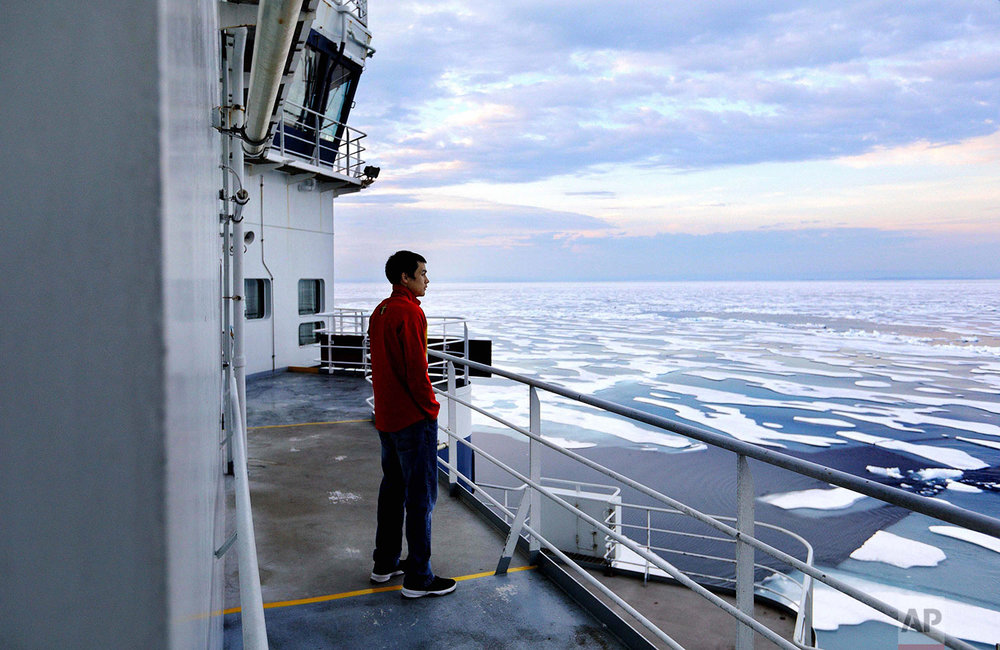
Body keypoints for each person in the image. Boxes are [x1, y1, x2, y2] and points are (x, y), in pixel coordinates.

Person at [366, 250, 457, 599]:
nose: (427, 279)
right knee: (421, 499)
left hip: (387, 418)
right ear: (404, 277)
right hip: (412, 420)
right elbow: (416, 371)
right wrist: (431, 408)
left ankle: (384, 562)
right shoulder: (410, 313)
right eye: (422, 273)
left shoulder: (382, 310)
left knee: (392, 492)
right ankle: (419, 577)